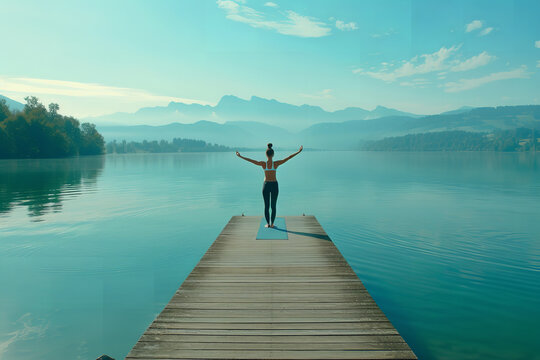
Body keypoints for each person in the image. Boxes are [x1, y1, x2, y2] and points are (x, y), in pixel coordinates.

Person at [236, 143, 303, 228]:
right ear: (273, 154)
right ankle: (272, 224)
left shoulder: (263, 164)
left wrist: (240, 156)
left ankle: (268, 224)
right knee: (273, 206)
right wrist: (298, 152)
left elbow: (252, 161)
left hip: (266, 185)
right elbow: (288, 158)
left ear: (266, 154)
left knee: (266, 206)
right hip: (274, 185)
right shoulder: (276, 164)